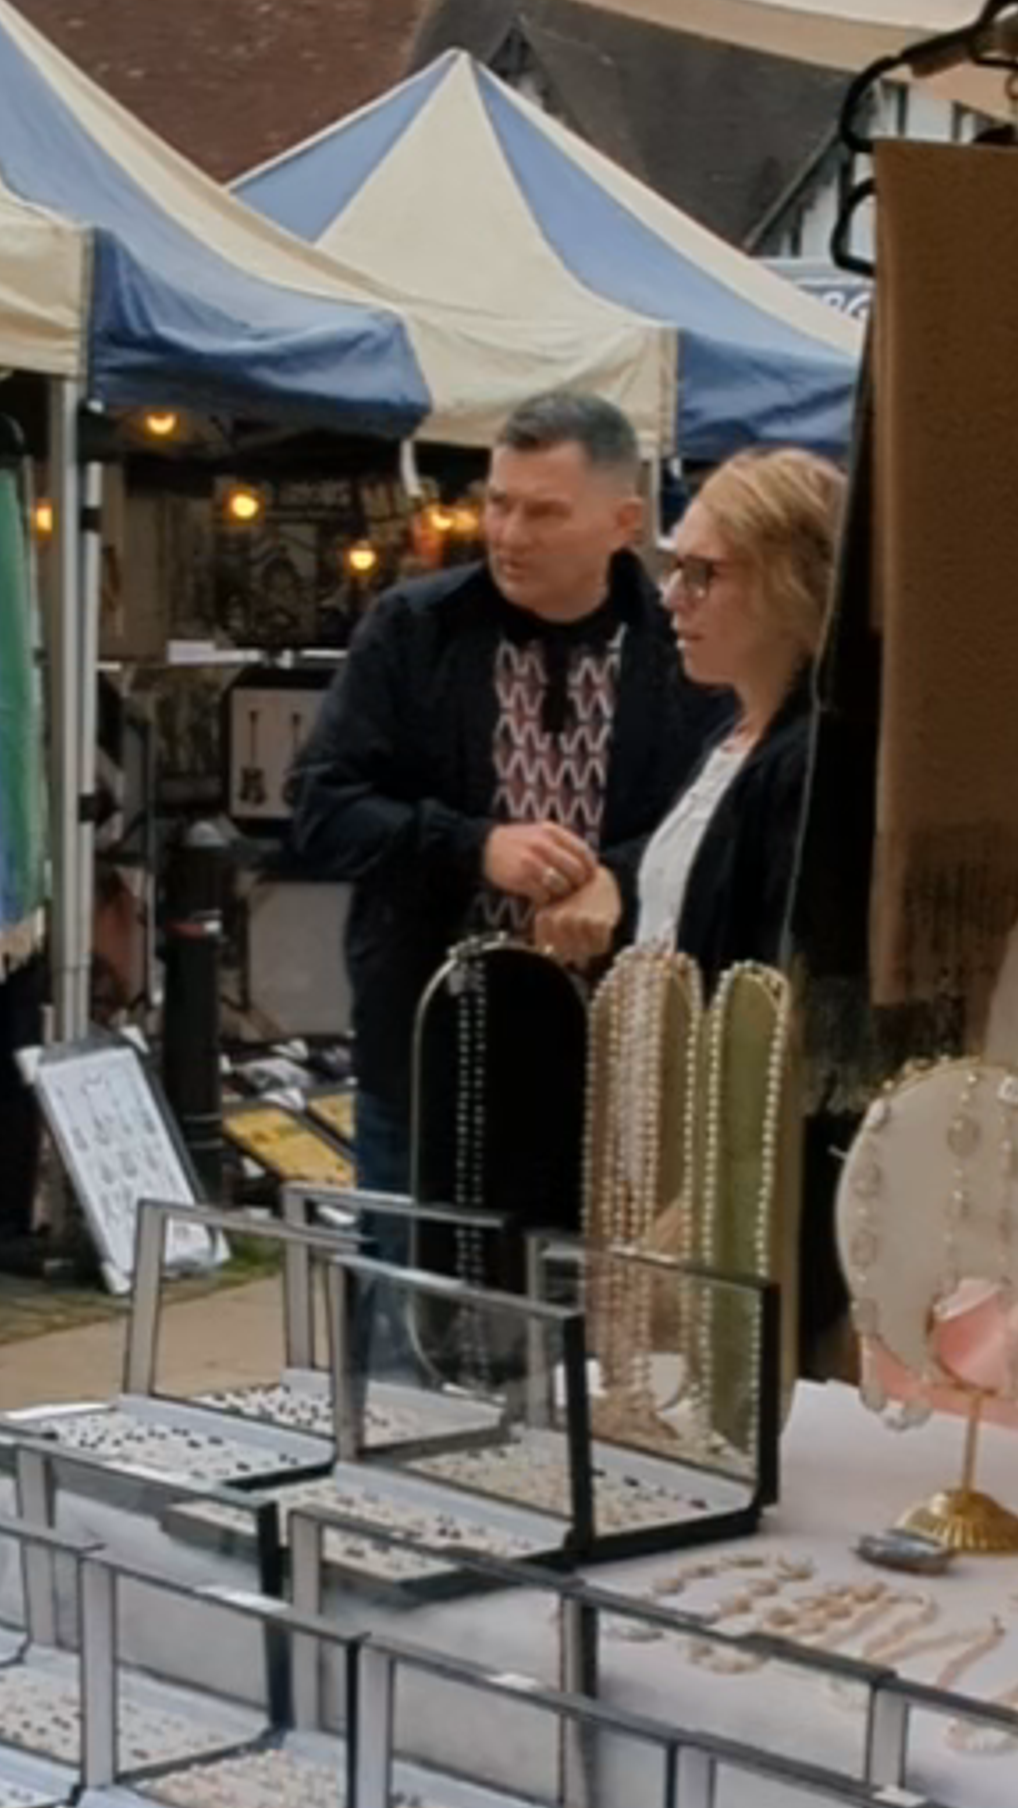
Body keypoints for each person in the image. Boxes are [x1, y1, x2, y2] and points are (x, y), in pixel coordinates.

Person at [282, 389, 718, 1230]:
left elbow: (720, 818)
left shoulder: (684, 650)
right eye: (499, 503)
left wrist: (620, 880)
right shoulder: (414, 631)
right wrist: (474, 846)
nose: (511, 535)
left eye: (545, 512)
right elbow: (320, 807)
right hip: (430, 1049)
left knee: (594, 1323)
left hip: (619, 1059)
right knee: (404, 1321)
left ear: (624, 522)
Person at [530, 445, 846, 983]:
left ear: (790, 582)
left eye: (704, 574)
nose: (673, 596)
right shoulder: (732, 739)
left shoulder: (808, 764)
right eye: (676, 568)